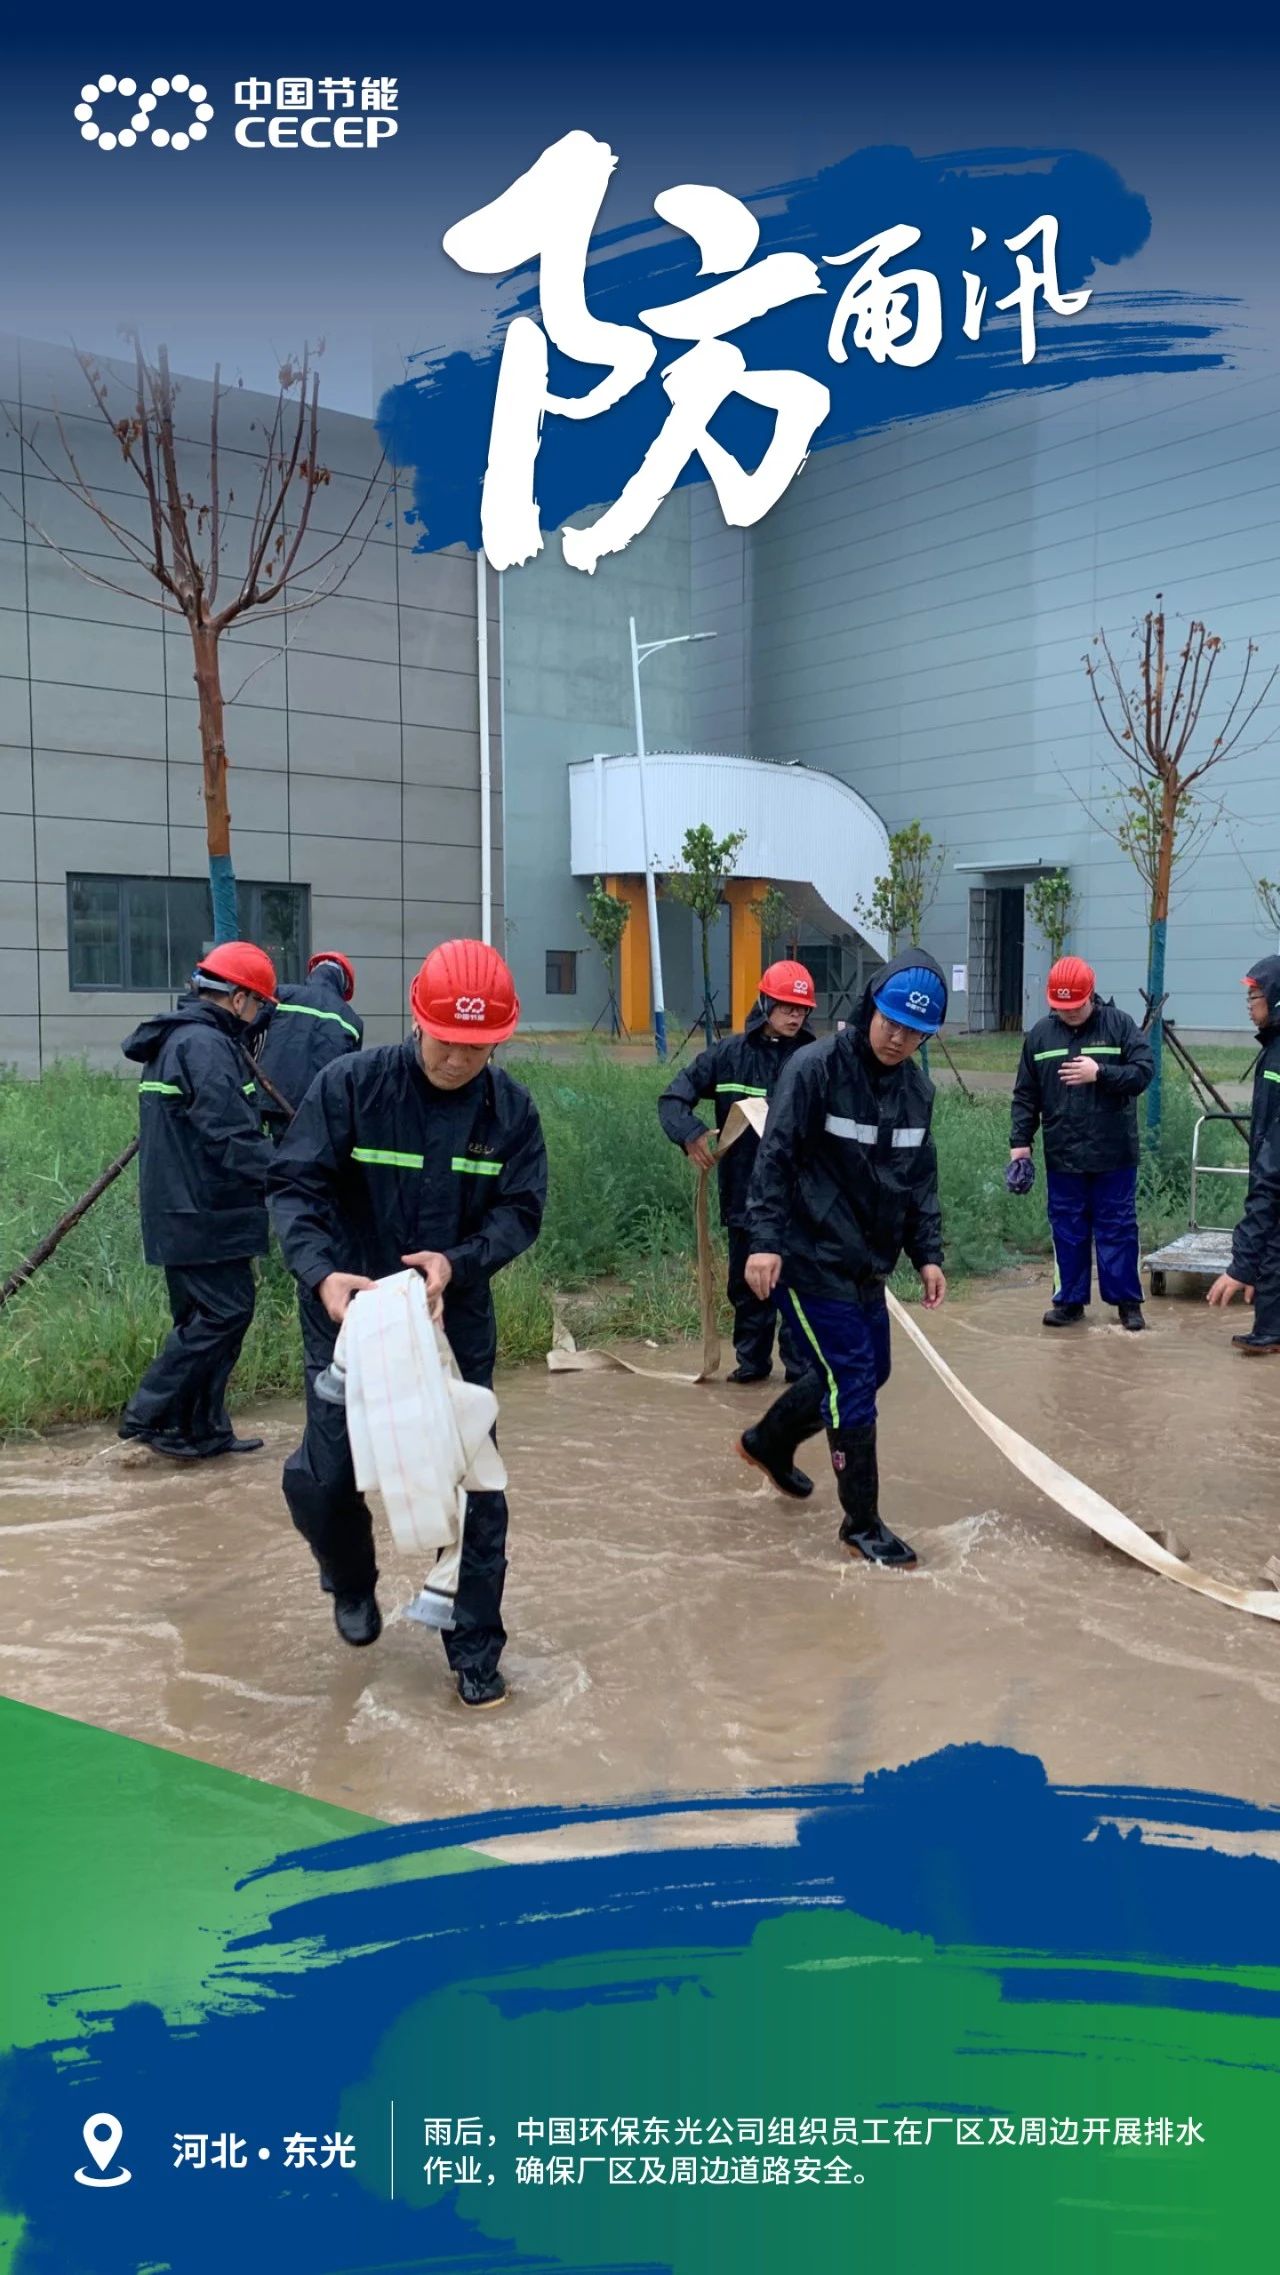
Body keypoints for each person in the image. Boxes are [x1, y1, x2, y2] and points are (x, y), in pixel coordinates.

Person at [267, 939, 547, 1709]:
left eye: (476, 1046)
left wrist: (457, 1261)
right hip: (349, 1313)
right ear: (418, 1017)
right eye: (446, 1039)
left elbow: (520, 1211)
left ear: (499, 1039)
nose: (458, 1058)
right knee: (326, 1475)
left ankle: (475, 1649)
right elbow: (295, 1186)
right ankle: (350, 1578)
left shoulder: (510, 1114)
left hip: (451, 1318)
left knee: (474, 1483)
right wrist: (322, 1273)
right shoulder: (350, 1087)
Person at [736, 950, 949, 1570]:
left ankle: (768, 1441)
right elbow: (775, 1157)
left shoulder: (918, 1091)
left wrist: (927, 1254)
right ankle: (862, 1524)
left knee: (871, 1369)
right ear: (870, 1007)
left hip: (867, 1261)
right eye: (891, 1023)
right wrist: (763, 1241)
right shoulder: (815, 1068)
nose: (898, 1039)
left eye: (914, 1032)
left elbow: (919, 1179)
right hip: (806, 1254)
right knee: (852, 1378)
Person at [118, 941, 277, 1460]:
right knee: (225, 1314)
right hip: (205, 1213)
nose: (260, 1016)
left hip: (183, 1210)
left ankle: (200, 1431)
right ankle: (151, 1413)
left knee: (204, 1319)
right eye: (259, 1004)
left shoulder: (182, 1040)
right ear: (238, 999)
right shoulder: (203, 1046)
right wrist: (290, 1172)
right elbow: (230, 1136)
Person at [658, 960, 819, 1383]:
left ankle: (800, 1375)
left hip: (802, 1201)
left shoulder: (815, 1059)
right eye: (786, 1007)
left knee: (797, 1289)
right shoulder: (728, 1056)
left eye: (802, 1009)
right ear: (764, 1003)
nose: (795, 1016)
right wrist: (690, 1134)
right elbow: (673, 1099)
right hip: (744, 1198)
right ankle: (751, 1369)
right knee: (749, 1289)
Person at [1010, 954, 1154, 1332]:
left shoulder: (1119, 1025)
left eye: (1076, 1005)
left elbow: (1142, 1073)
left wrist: (1099, 1073)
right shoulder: (1040, 1036)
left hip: (1113, 1153)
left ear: (1091, 994)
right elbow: (1026, 1095)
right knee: (1067, 1228)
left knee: (1117, 1228)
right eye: (1062, 1007)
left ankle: (1127, 1303)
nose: (1070, 1012)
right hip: (1063, 1154)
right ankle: (1069, 1302)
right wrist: (1020, 1145)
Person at [1207, 955, 1280, 1354]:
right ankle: (1270, 1335)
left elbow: (1272, 1172)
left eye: (1255, 997)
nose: (1249, 1006)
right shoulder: (1273, 1049)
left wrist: (1241, 1266)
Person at [257, 952, 364, 1138]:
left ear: (313, 972)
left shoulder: (283, 995)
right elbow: (349, 1075)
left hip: (270, 1100)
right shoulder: (352, 1020)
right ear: (344, 984)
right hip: (317, 1111)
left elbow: (247, 1030)